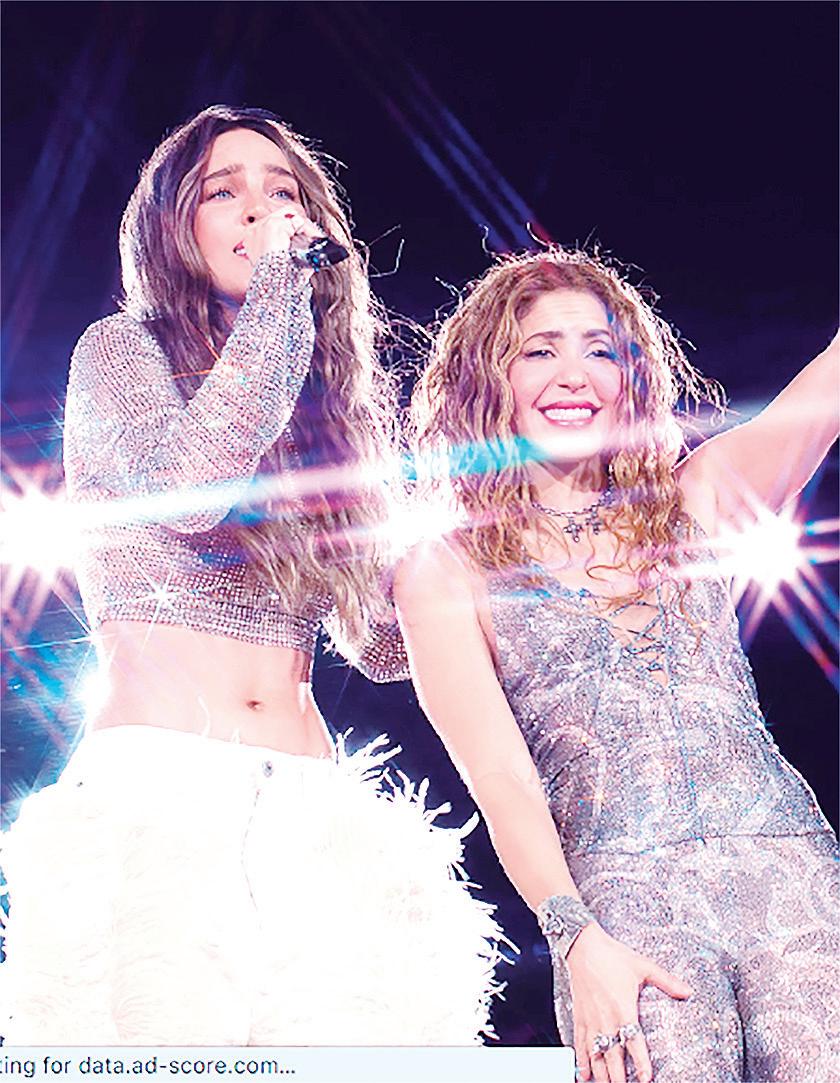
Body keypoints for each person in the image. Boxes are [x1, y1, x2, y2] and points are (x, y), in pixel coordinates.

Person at [0, 105, 500, 1046]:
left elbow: (380, 647)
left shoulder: (325, 409)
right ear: (173, 226)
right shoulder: (120, 353)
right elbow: (192, 489)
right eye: (223, 193)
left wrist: (475, 535)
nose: (263, 211)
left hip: (315, 807)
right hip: (163, 795)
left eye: (283, 192)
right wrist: (279, 294)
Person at [395, 247, 839, 1083]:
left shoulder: (698, 497)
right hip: (624, 910)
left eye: (600, 350)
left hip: (792, 877)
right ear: (488, 378)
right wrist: (575, 939)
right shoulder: (444, 569)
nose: (575, 374)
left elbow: (828, 389)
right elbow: (501, 777)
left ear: (630, 377)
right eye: (539, 350)